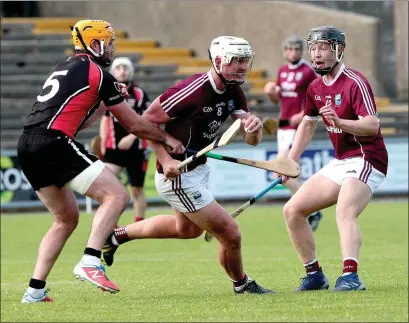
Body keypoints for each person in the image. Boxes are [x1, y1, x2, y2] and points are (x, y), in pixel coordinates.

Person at [17, 19, 184, 303]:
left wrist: (106, 102)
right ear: (95, 44)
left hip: (28, 144)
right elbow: (134, 125)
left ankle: (34, 291)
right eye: (109, 42)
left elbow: (78, 122)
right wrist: (167, 139)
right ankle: (91, 261)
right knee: (117, 195)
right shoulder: (98, 74)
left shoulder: (65, 67)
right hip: (53, 142)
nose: (112, 48)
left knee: (65, 219)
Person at [102, 36, 276, 295]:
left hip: (198, 168)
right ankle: (242, 284)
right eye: (235, 61)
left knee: (186, 229)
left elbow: (252, 141)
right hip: (178, 175)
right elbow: (145, 123)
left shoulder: (234, 92)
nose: (241, 66)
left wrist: (253, 128)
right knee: (230, 233)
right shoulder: (192, 90)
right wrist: (164, 158)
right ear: (218, 61)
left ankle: (115, 236)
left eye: (244, 61)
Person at [277, 26, 388, 291]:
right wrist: (291, 161)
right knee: (292, 210)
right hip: (341, 161)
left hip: (366, 157)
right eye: (313, 49)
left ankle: (351, 277)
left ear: (338, 50)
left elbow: (372, 126)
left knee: (344, 211)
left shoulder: (355, 82)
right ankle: (314, 275)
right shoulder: (315, 87)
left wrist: (340, 122)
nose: (316, 55)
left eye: (323, 48)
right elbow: (307, 124)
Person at [263, 35, 323, 231]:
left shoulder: (308, 71)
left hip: (297, 127)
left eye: (297, 49)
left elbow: (317, 96)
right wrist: (271, 92)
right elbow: (278, 99)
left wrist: (304, 114)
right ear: (285, 51)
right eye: (290, 49)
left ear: (301, 51)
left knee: (279, 169)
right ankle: (312, 210)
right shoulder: (282, 71)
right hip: (283, 126)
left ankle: (309, 209)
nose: (293, 52)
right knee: (288, 175)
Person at [100, 57, 152, 223]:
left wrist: (131, 137)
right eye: (118, 68)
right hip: (113, 150)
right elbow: (105, 118)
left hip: (137, 149)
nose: (122, 71)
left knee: (137, 190)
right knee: (107, 188)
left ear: (131, 71)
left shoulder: (139, 94)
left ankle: (139, 224)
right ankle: (112, 225)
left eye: (125, 68)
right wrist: (103, 141)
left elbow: (148, 119)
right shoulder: (109, 92)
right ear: (113, 72)